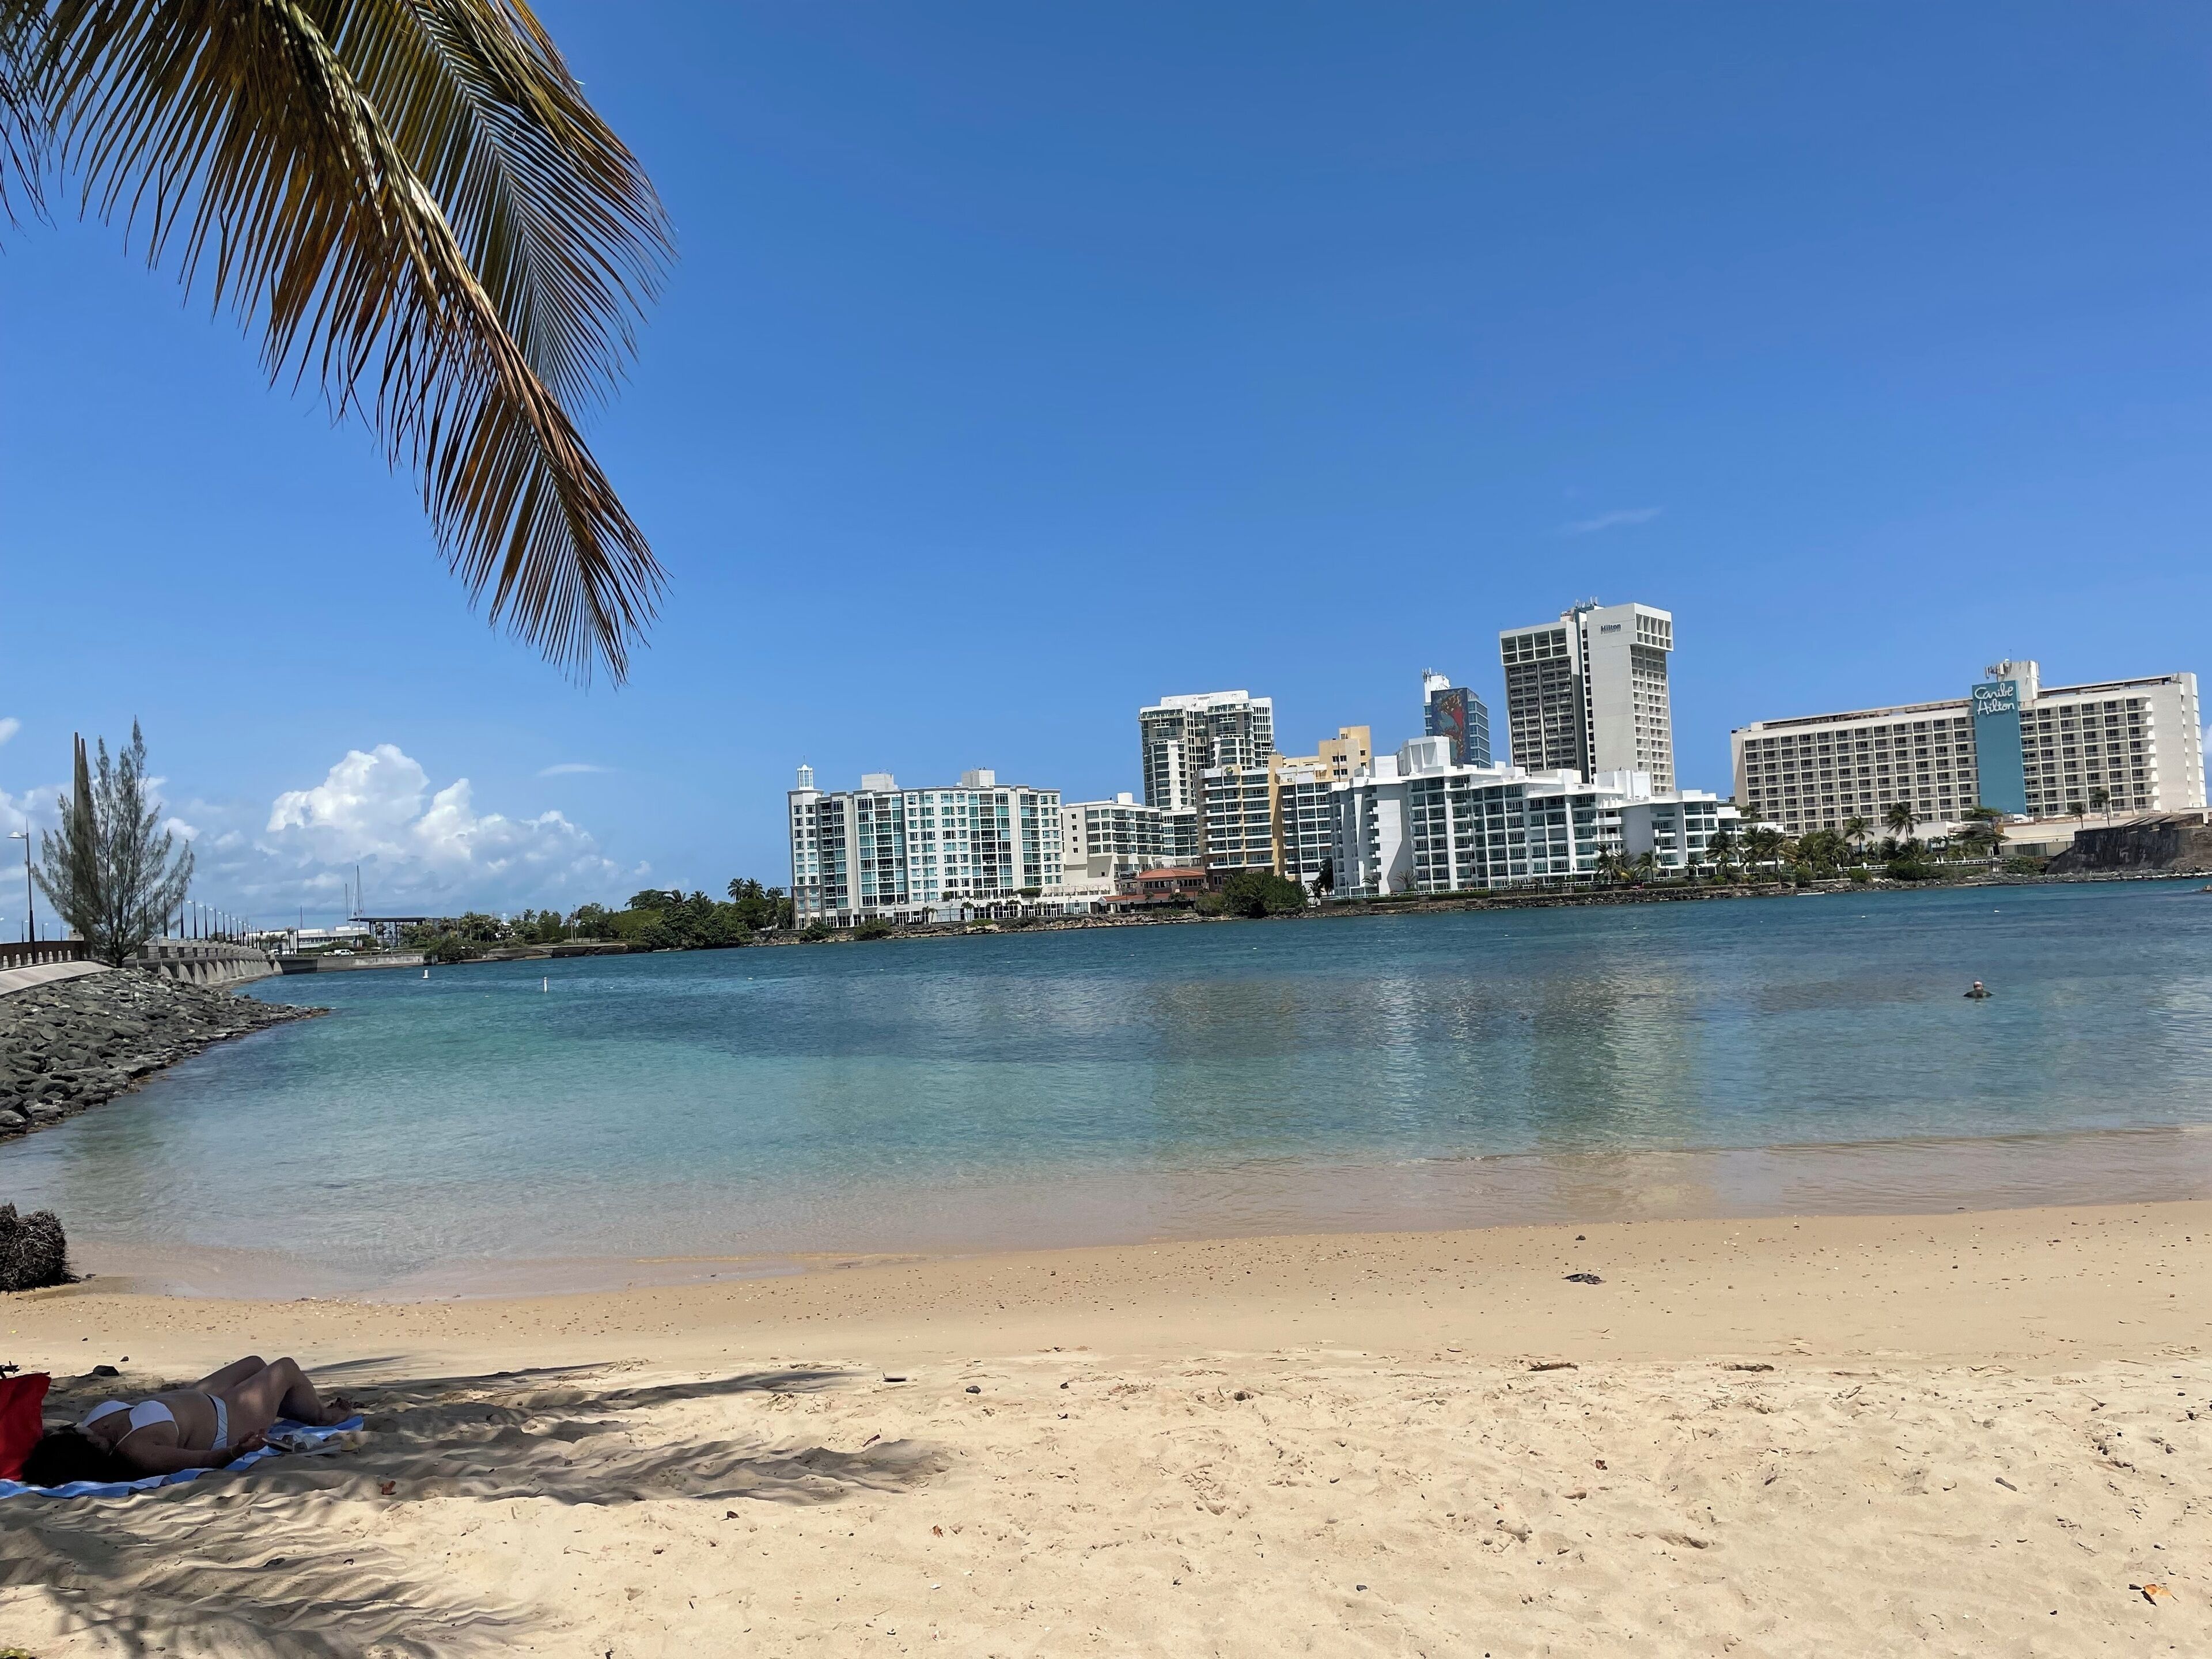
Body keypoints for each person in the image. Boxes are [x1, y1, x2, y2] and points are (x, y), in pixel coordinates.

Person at [19, 1356, 354, 1488]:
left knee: (254, 1363)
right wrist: (241, 1449)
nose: (82, 1431)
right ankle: (325, 1415)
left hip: (193, 1398)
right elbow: (209, 1460)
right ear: (91, 1454)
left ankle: (292, 1405)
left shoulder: (89, 1431)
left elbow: (31, 1428)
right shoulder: (139, 1452)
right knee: (284, 1369)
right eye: (81, 1437)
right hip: (227, 1420)